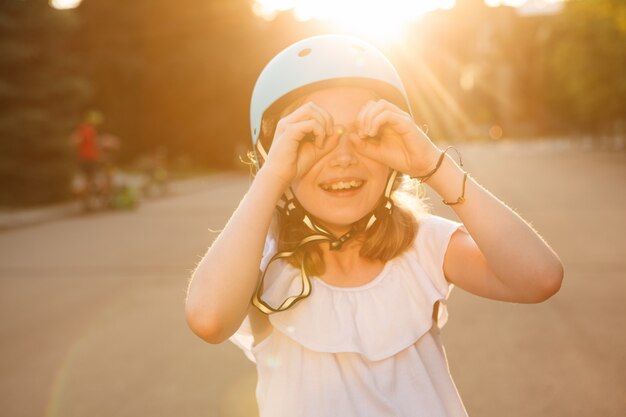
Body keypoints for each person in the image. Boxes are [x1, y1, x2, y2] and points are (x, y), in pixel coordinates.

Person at [185, 35, 564, 417]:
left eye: (366, 135)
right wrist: (272, 176)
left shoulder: (423, 245)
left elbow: (540, 278)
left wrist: (433, 165)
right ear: (275, 154)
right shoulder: (261, 262)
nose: (344, 157)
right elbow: (208, 319)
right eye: (314, 137)